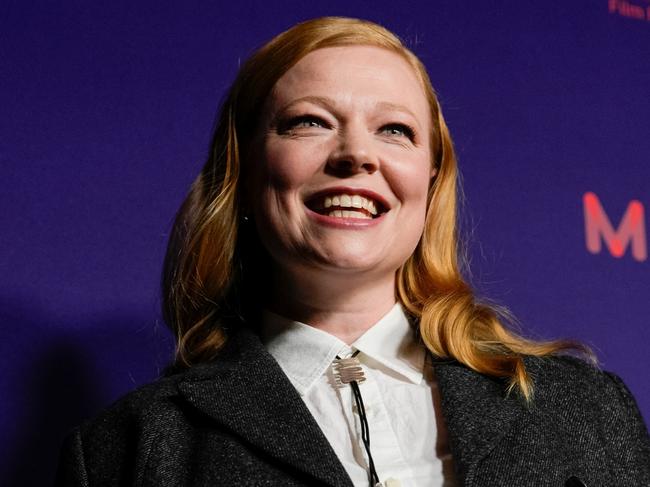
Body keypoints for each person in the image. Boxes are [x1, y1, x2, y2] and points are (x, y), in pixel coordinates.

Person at [56, 17, 650, 487]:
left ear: (431, 179)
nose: (356, 155)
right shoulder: (127, 449)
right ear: (243, 169)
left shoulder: (587, 413)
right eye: (310, 122)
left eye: (394, 130)